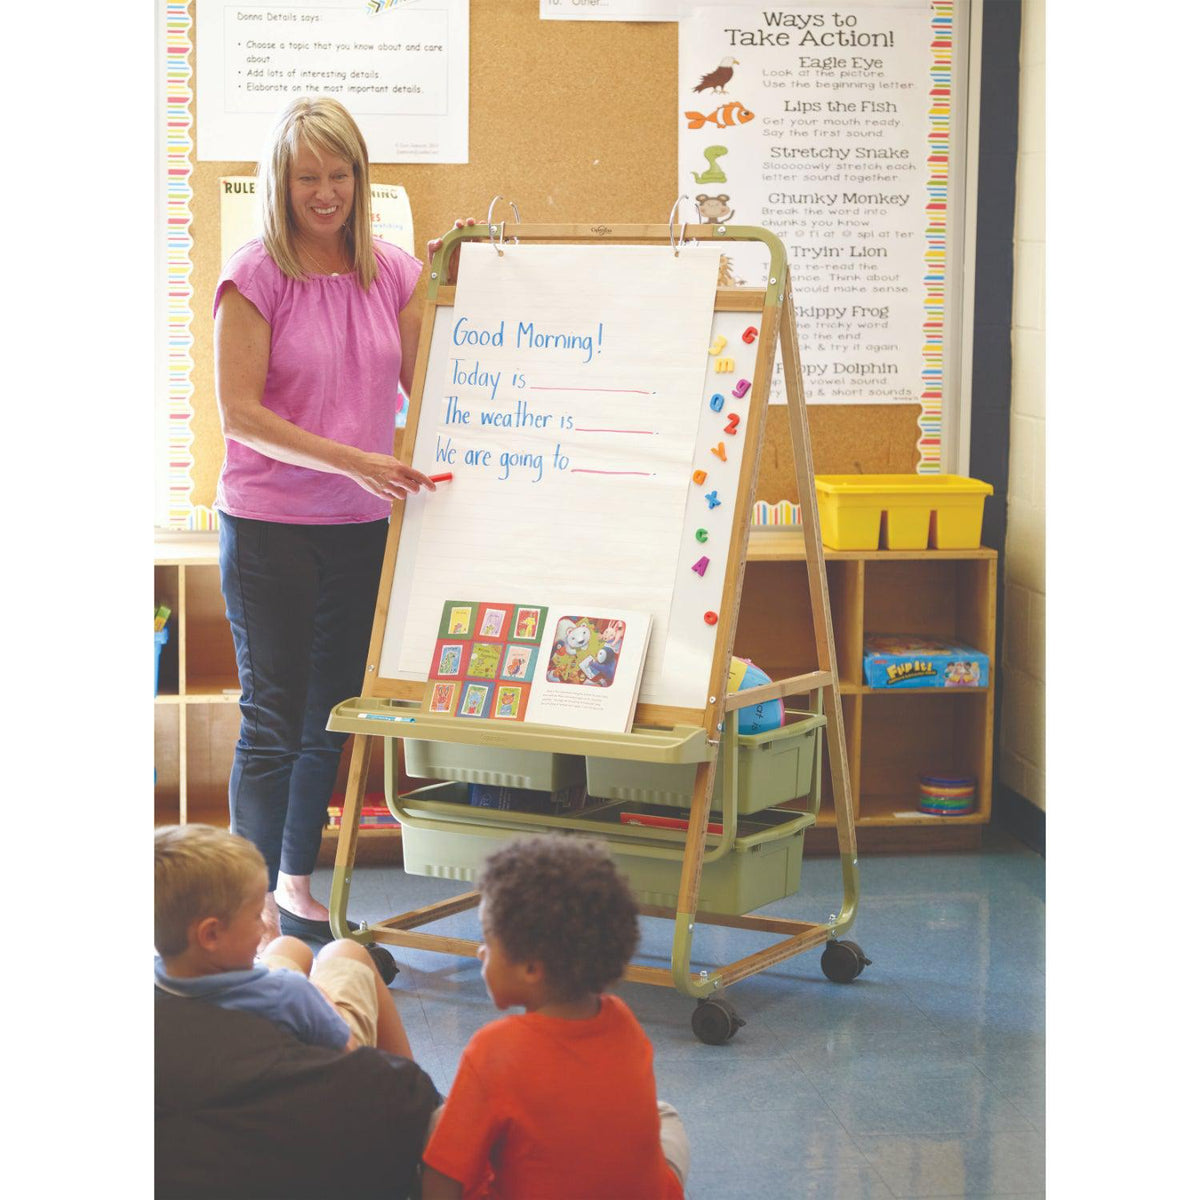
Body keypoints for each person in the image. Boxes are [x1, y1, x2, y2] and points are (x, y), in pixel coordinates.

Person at [212, 95, 434, 946]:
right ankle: (248, 906)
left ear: (360, 177)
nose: (325, 192)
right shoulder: (256, 275)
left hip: (359, 526)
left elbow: (430, 382)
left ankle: (297, 885)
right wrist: (355, 459)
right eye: (308, 176)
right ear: (281, 181)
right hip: (269, 524)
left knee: (331, 714)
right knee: (274, 717)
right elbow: (241, 415)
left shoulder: (393, 272)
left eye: (339, 174)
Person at [421, 838, 689, 1200]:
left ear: (532, 968)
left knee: (443, 1121)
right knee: (666, 1116)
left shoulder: (494, 1050)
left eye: (488, 939)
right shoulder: (622, 1019)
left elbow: (442, 1175)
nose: (480, 950)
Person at [154, 824, 412, 1058]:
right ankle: (420, 1095)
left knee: (286, 946)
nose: (265, 926)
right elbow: (351, 1055)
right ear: (210, 935)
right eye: (256, 916)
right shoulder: (289, 996)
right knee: (346, 950)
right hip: (317, 1066)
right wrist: (317, 996)